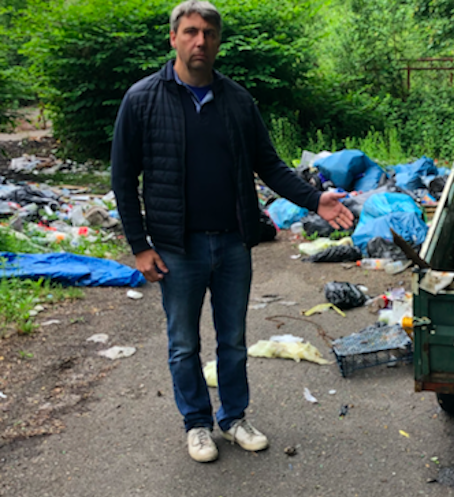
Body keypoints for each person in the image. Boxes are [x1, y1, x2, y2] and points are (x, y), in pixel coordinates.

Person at [111, 0, 353, 463]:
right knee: (183, 342)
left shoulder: (238, 101)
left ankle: (234, 416)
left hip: (231, 242)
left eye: (208, 33)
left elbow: (270, 166)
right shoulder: (142, 99)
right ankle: (197, 424)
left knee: (233, 340)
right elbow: (123, 179)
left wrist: (313, 198)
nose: (200, 41)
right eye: (190, 32)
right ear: (174, 38)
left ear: (219, 42)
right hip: (176, 247)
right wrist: (140, 247)